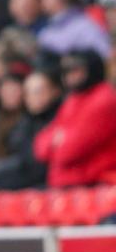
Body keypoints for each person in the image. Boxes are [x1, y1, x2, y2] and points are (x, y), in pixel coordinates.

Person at [34, 49, 116, 187]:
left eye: (75, 70)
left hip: (95, 184)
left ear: (91, 69)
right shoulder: (73, 99)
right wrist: (57, 140)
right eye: (66, 71)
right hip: (68, 183)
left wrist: (57, 141)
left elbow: (68, 151)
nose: (69, 76)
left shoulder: (103, 99)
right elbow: (40, 147)